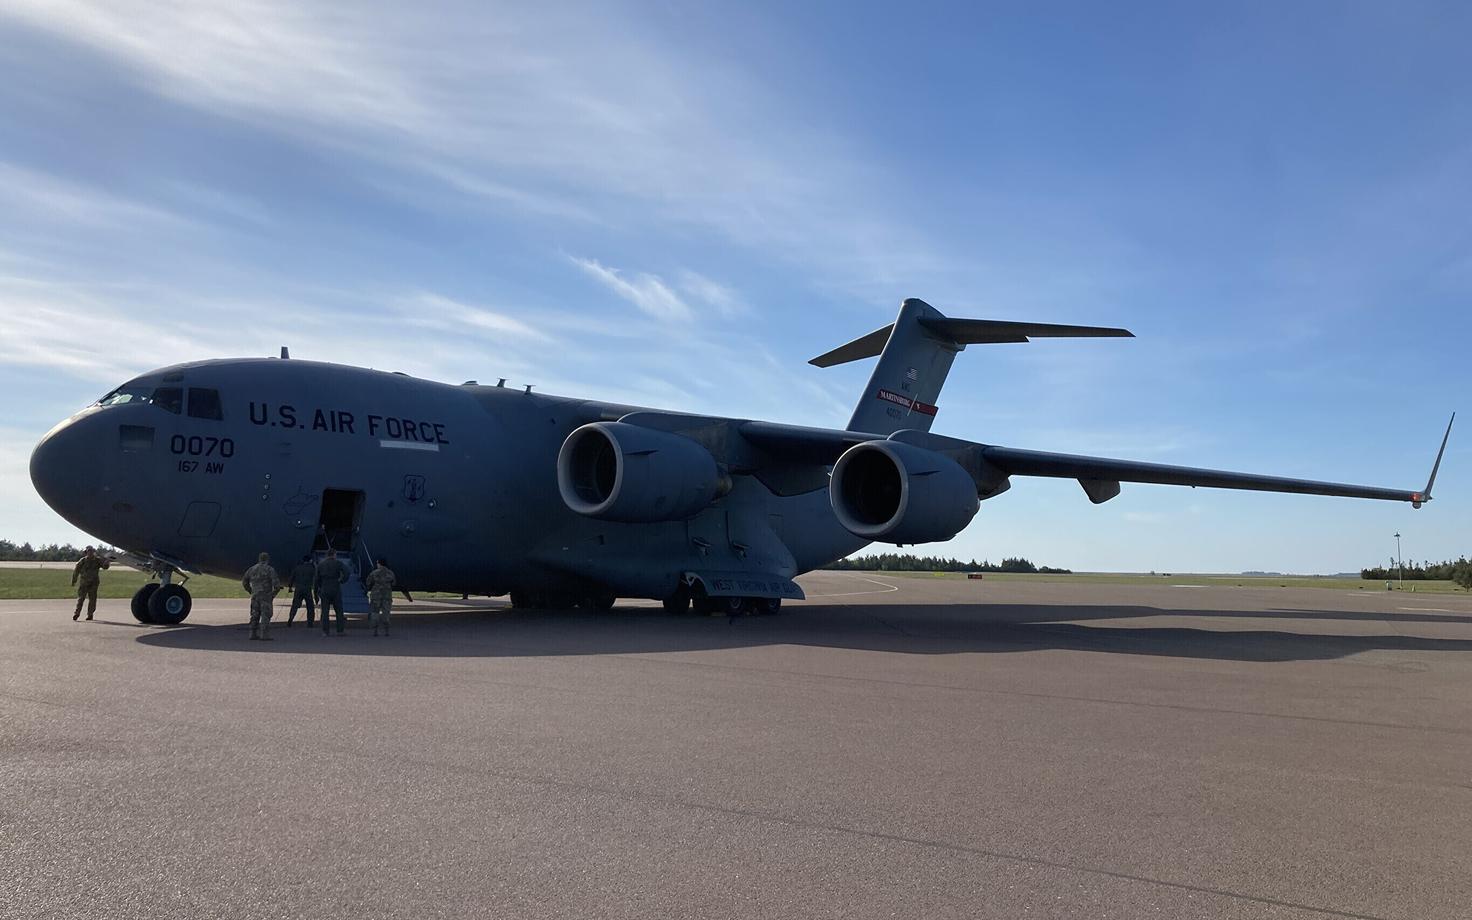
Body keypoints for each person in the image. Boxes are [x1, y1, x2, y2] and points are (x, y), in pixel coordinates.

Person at [241, 552, 282, 641]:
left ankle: (252, 634)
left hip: (255, 595)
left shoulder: (252, 569)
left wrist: (250, 590)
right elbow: (277, 585)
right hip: (265, 595)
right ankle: (264, 635)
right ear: (267, 559)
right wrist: (273, 594)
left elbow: (244, 581)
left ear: (259, 559)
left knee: (254, 614)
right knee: (265, 615)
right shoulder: (270, 569)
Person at [70, 546, 111, 621]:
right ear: (86, 552)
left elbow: (105, 567)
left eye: (91, 551)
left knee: (92, 599)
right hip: (84, 583)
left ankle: (90, 614)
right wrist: (74, 580)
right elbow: (76, 571)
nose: (90, 553)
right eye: (88, 551)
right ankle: (77, 613)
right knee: (81, 599)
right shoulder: (82, 561)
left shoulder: (97, 560)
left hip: (94, 583)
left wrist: (107, 561)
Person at [315, 549, 350, 635]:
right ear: (334, 554)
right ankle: (340, 630)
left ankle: (325, 631)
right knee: (339, 610)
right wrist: (342, 580)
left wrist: (318, 589)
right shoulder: (338, 563)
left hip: (325, 587)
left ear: (327, 555)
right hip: (335, 587)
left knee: (325, 611)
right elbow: (347, 572)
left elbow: (316, 579)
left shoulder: (321, 564)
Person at [364, 558, 396, 637]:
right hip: (387, 596)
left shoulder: (374, 573)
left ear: (379, 564)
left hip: (376, 596)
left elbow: (368, 582)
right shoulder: (390, 573)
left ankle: (375, 631)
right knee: (386, 614)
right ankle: (386, 631)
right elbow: (394, 583)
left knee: (375, 613)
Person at [285, 554, 317, 627]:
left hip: (298, 589)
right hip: (307, 589)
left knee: (295, 606)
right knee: (310, 607)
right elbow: (316, 576)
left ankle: (290, 619)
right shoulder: (311, 568)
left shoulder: (297, 568)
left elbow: (291, 578)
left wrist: (290, 587)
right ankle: (310, 623)